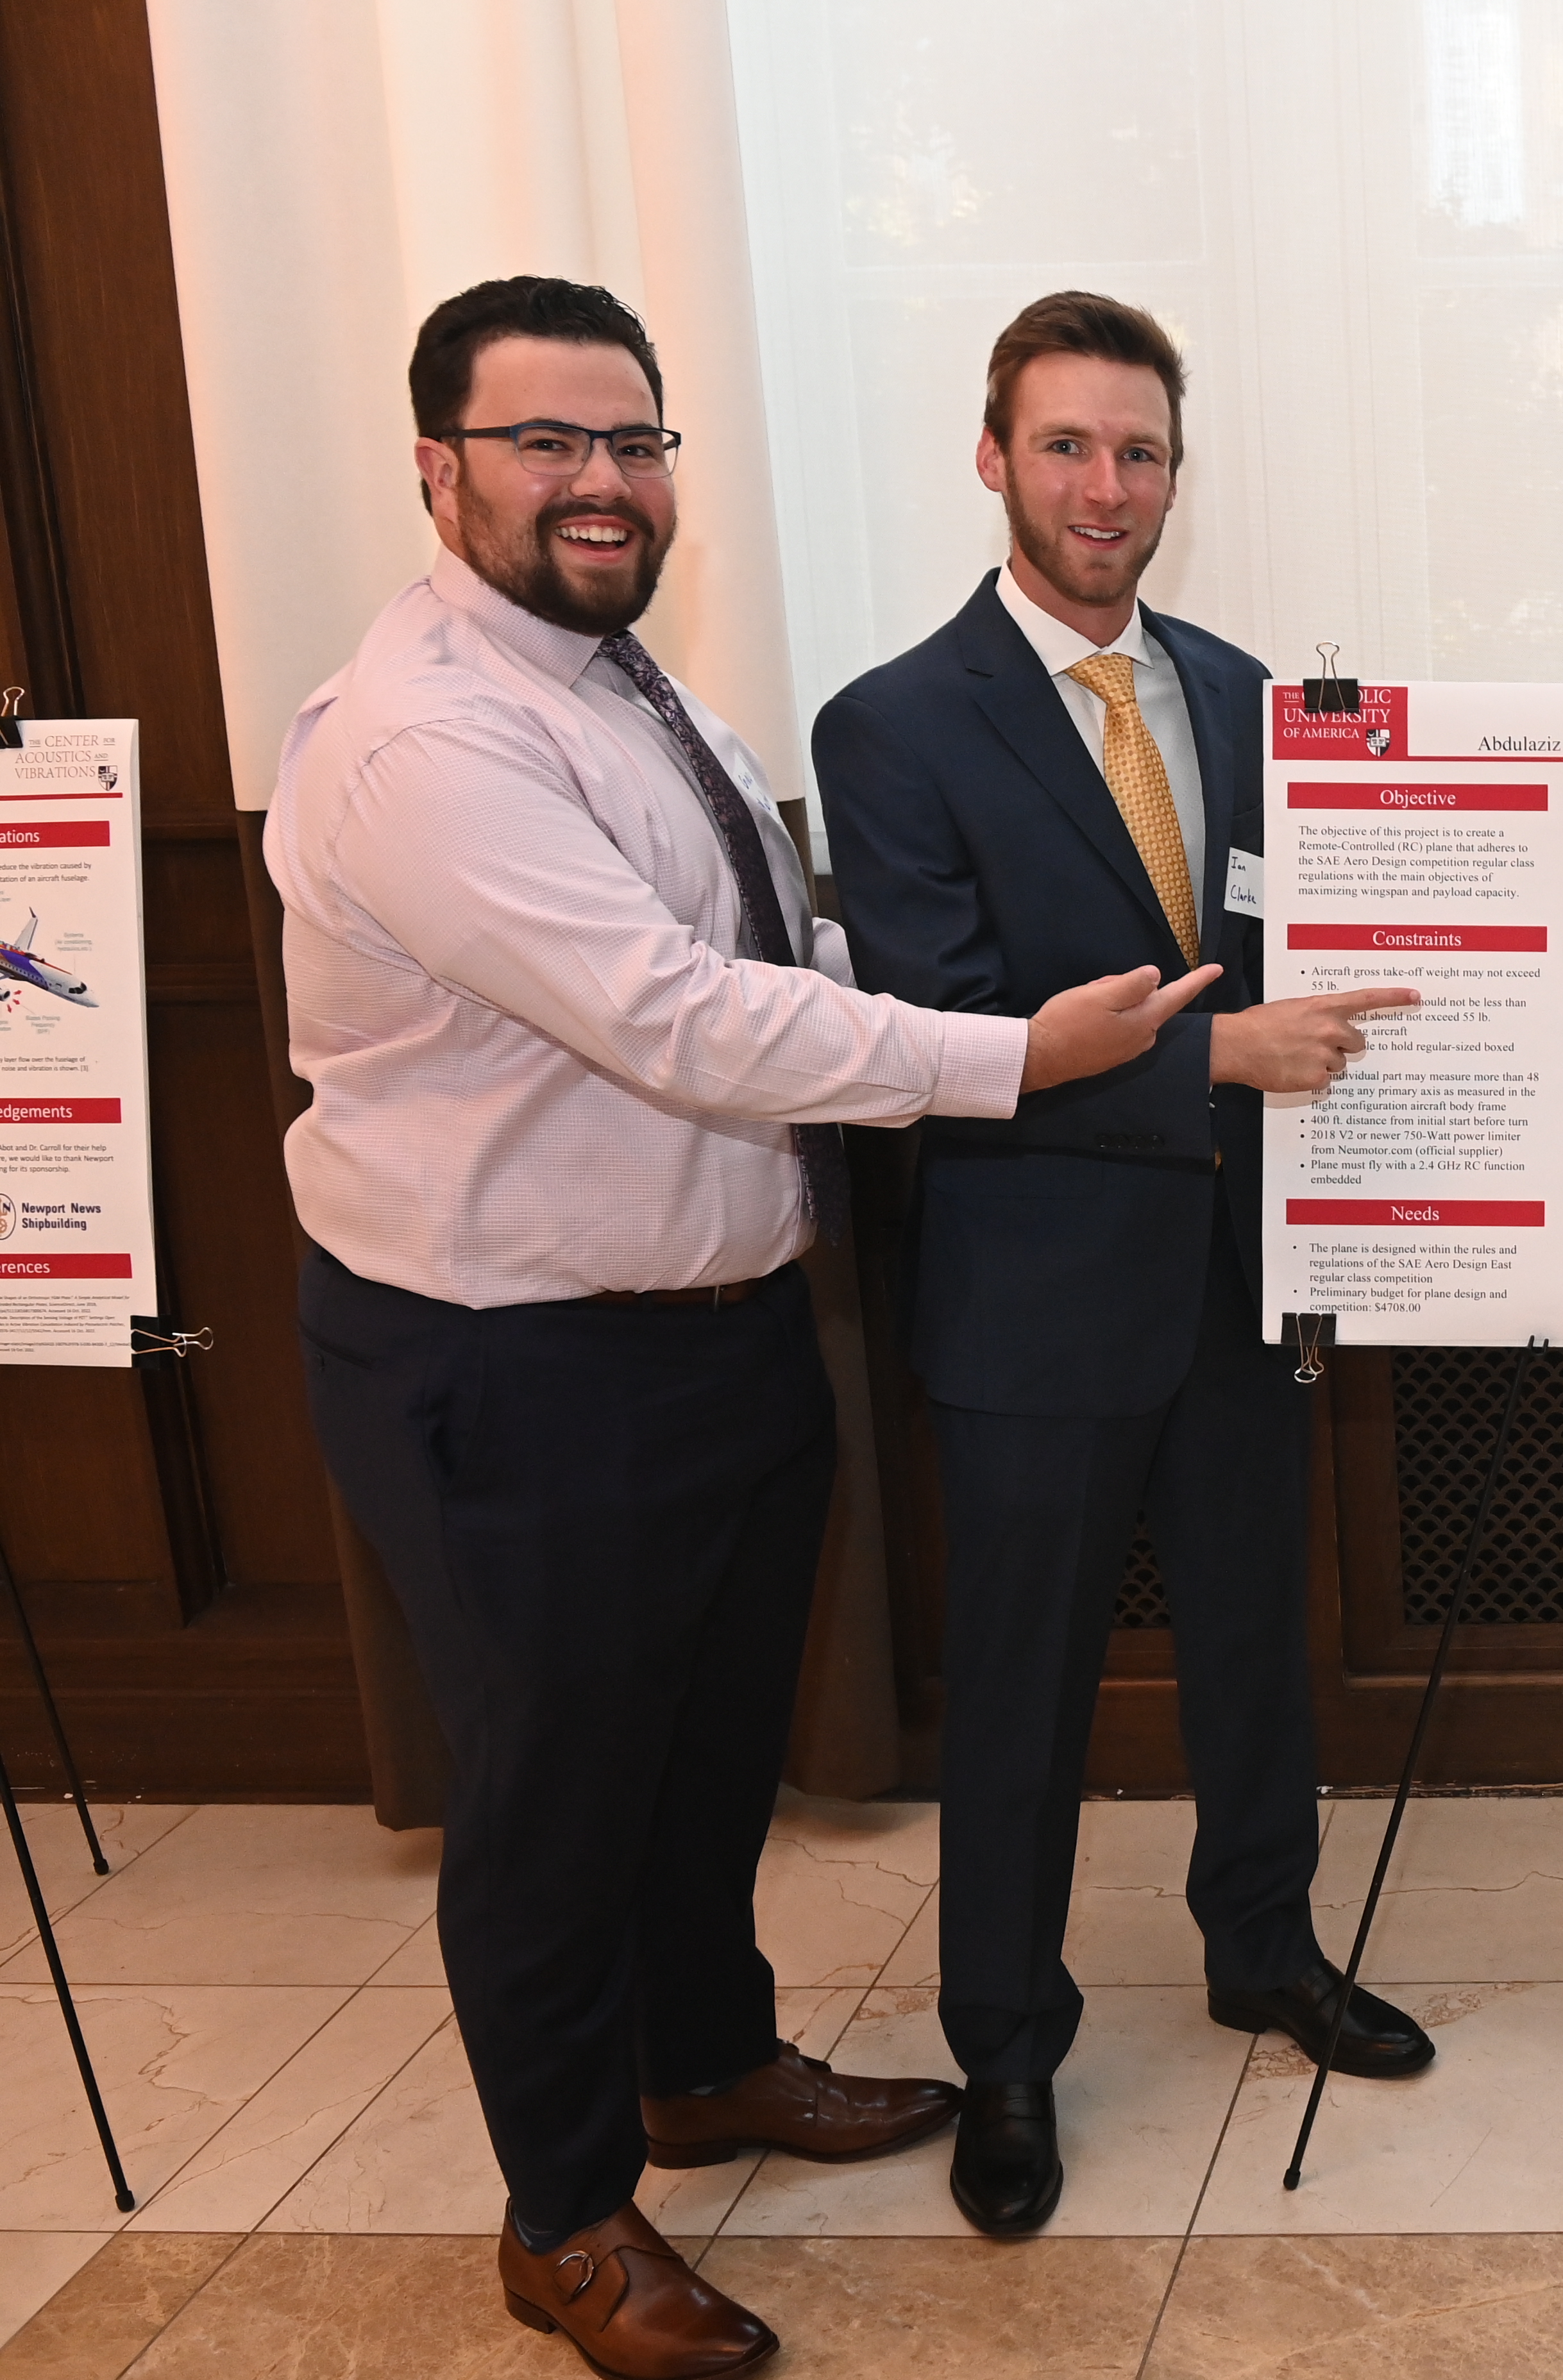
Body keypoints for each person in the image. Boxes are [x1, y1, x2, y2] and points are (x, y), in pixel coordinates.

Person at [275, 276, 1206, 2376]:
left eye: (633, 441)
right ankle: (565, 2218)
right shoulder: (430, 737)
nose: (600, 482)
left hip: (710, 1325)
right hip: (511, 1358)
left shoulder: (621, 683)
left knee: (702, 1756)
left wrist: (971, 977)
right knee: (556, 1800)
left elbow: (767, 933)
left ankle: (704, 2066)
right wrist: (1013, 1054)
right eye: (546, 443)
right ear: (439, 468)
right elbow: (677, 1020)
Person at [811, 290, 1430, 2238]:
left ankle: (1262, 1948)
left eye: (1140, 450)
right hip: (1030, 1302)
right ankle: (1006, 2042)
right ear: (993, 459)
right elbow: (946, 1030)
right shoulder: (895, 722)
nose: (1107, 485)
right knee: (1022, 1693)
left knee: (1262, 1644)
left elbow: (1309, 938)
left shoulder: (1253, 695)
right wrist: (1212, 1054)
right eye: (1067, 446)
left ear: (1179, 471)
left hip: (1237, 1279)